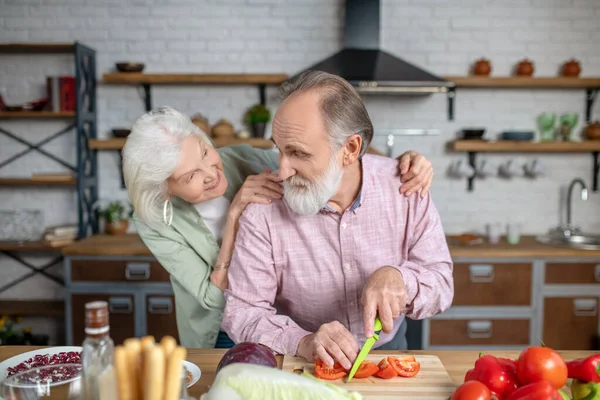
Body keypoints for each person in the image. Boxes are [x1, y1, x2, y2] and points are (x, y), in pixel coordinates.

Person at [121, 105, 436, 349]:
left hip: (273, 321)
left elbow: (326, 158)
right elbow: (213, 299)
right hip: (216, 330)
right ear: (164, 189)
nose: (210, 173)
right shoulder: (154, 218)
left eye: (205, 152)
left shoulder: (242, 158)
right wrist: (234, 218)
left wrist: (401, 163)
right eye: (190, 176)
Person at [221, 70, 454, 368]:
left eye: (298, 153)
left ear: (350, 149)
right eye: (279, 149)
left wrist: (401, 279)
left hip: (388, 355)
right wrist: (302, 341)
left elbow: (442, 283)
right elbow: (242, 311)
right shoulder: (264, 208)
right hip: (300, 359)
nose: (282, 170)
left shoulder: (407, 188)